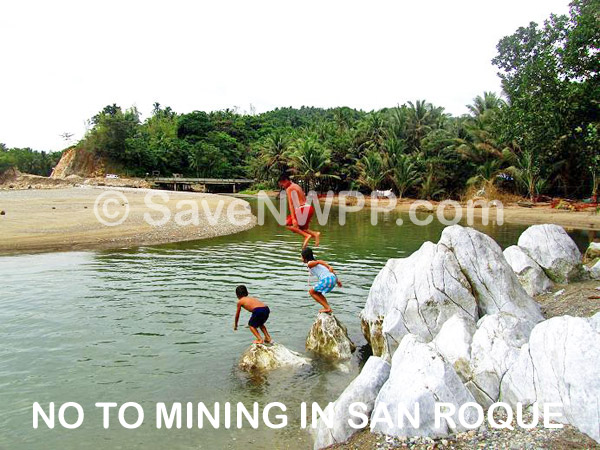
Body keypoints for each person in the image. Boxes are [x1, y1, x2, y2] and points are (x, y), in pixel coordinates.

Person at [278, 173, 320, 249]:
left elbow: (291, 204)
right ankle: (315, 234)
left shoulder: (289, 188)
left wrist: (294, 219)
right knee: (301, 228)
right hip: (308, 208)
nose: (282, 186)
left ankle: (307, 236)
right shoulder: (296, 185)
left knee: (287, 224)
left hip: (303, 209)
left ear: (286, 181)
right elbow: (304, 199)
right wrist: (308, 216)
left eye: (282, 184)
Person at [301, 247, 342, 313]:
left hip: (327, 279)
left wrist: (329, 266)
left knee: (311, 292)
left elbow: (319, 261)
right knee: (318, 293)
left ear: (304, 257)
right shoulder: (314, 264)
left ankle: (327, 308)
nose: (301, 258)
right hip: (332, 278)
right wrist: (337, 281)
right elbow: (329, 271)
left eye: (301, 257)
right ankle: (327, 308)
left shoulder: (310, 263)